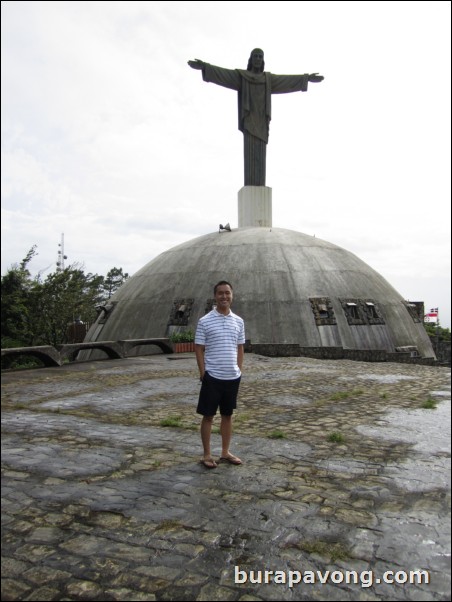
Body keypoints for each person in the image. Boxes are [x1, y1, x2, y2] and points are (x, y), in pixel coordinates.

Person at [188, 49, 324, 186]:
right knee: (250, 154)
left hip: (261, 123)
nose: (258, 59)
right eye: (255, 56)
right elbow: (224, 74)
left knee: (260, 155)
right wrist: (205, 67)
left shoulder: (268, 80)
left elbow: (286, 81)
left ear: (263, 60)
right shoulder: (242, 76)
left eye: (260, 56)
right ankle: (252, 185)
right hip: (248, 121)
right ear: (251, 59)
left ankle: (259, 185)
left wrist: (306, 79)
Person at [195, 280, 245, 469]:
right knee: (208, 416)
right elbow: (199, 348)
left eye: (227, 293)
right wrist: (203, 373)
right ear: (215, 296)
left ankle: (225, 452)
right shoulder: (205, 321)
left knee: (227, 415)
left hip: (232, 376)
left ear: (232, 295)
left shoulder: (238, 321)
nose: (224, 296)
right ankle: (207, 454)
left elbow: (240, 347)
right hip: (212, 376)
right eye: (220, 293)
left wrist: (239, 369)